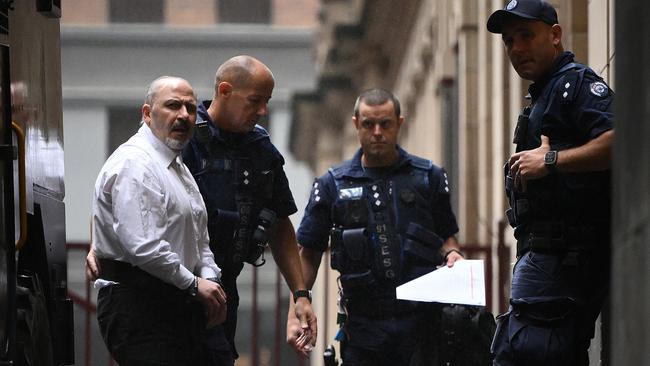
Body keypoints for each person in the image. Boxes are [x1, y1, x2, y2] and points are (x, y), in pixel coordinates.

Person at [87, 56, 316, 364]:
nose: (263, 111)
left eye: (190, 109)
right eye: (255, 101)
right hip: (162, 287)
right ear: (224, 91)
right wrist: (97, 244)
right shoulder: (172, 141)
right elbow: (125, 201)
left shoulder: (257, 148)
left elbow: (278, 222)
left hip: (214, 288)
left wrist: (299, 293)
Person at [287, 88, 464, 365]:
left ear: (400, 123)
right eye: (369, 124)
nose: (378, 132)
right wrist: (296, 308)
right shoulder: (332, 184)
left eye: (386, 124)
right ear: (356, 124)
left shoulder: (428, 177)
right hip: (363, 326)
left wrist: (453, 254)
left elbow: (447, 236)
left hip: (422, 323)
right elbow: (308, 253)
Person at [487, 1, 614, 365]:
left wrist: (551, 160)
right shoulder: (544, 91)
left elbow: (623, 138)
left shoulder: (574, 83)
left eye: (526, 35)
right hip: (544, 258)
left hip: (564, 259)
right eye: (510, 40)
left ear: (555, 35)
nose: (517, 48)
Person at [92, 76, 227, 365]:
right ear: (147, 113)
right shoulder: (135, 164)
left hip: (177, 304)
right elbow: (143, 246)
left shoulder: (175, 167)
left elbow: (199, 238)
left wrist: (210, 279)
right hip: (138, 304)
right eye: (173, 106)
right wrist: (194, 284)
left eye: (190, 109)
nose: (184, 116)